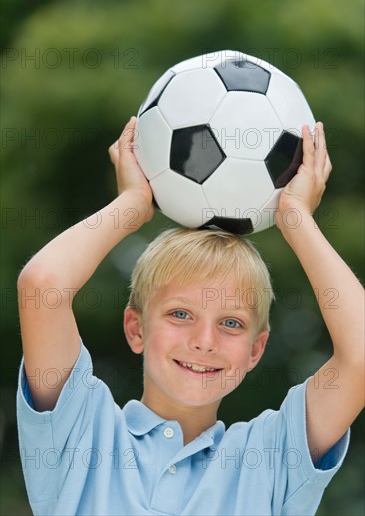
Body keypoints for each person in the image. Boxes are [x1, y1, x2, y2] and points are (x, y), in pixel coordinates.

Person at [16, 117, 364, 515]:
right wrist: (132, 204)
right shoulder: (81, 432)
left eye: (231, 323)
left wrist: (296, 218)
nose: (204, 340)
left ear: (256, 350)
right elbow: (42, 288)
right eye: (180, 314)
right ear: (136, 328)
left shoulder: (271, 457)